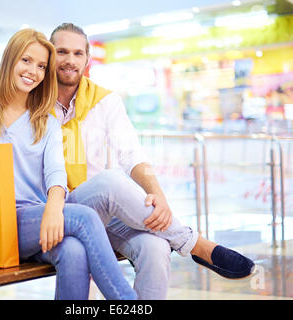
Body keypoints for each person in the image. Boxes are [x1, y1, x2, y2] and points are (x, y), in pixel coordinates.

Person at [49, 23, 255, 299]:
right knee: (110, 182)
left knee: (156, 248)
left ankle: (180, 244)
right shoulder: (35, 100)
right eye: (62, 52)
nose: (70, 60)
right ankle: (194, 244)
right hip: (55, 211)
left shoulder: (104, 101)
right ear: (50, 55)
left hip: (101, 214)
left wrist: (157, 195)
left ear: (87, 59)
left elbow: (132, 153)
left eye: (77, 53)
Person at [0, 28, 136, 300]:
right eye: (26, 60)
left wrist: (53, 207)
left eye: (41, 66)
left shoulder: (45, 121)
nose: (33, 71)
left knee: (73, 251)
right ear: (9, 59)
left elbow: (55, 172)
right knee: (84, 217)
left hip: (33, 224)